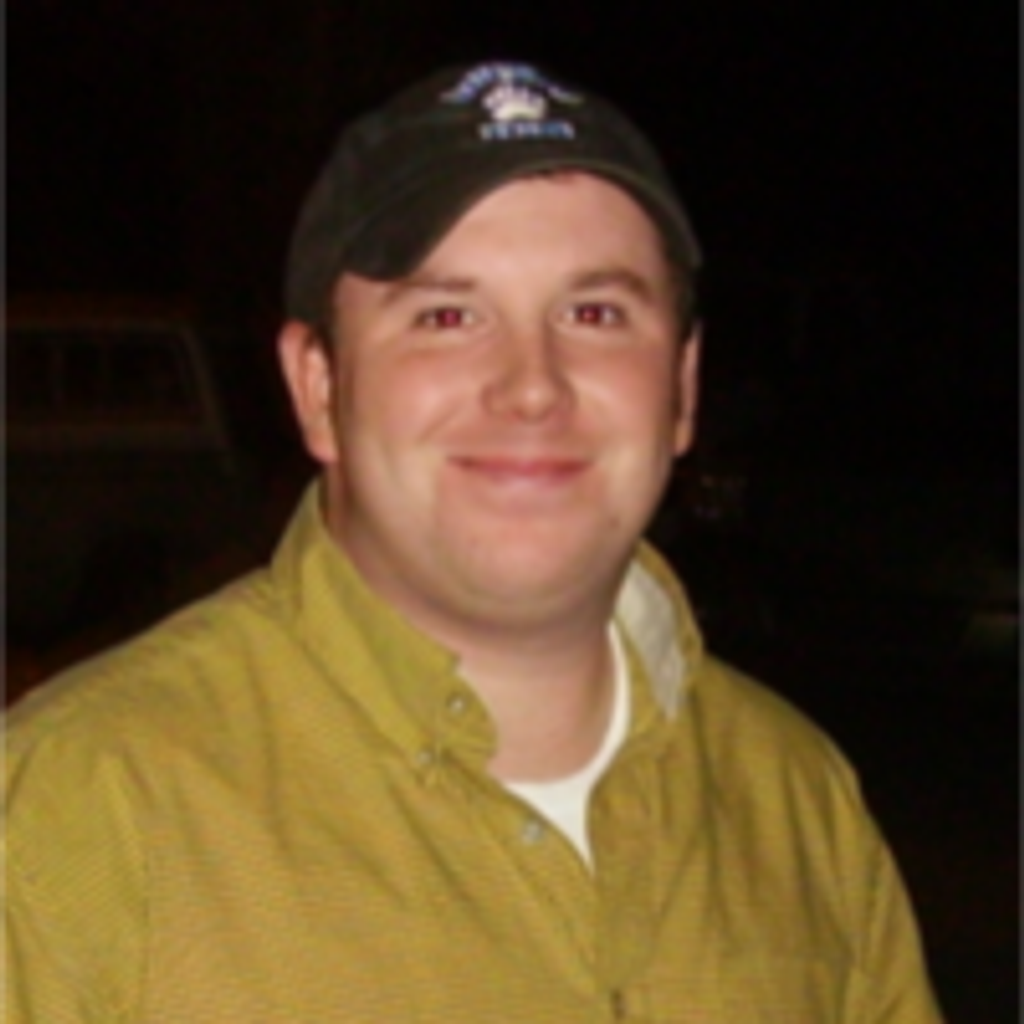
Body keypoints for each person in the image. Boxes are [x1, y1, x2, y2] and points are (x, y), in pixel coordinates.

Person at [1, 61, 943, 1022]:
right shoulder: (73, 819)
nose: (532, 386)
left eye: (594, 314)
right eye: (447, 317)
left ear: (683, 386)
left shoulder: (798, 801)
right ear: (318, 388)